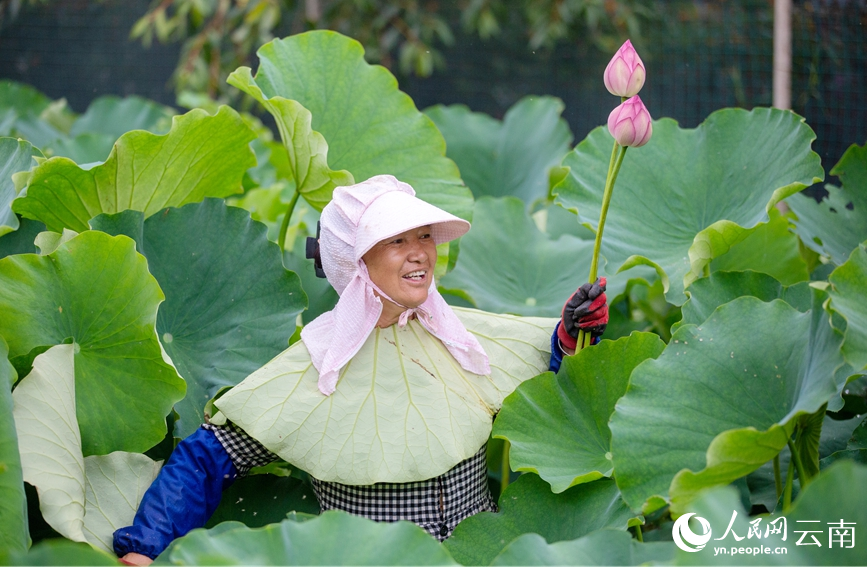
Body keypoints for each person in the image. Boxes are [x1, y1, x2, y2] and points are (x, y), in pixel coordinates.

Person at [113, 175, 608, 565]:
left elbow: (551, 384)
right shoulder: (313, 368)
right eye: (397, 241)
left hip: (480, 559)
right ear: (355, 260)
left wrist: (571, 336)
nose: (420, 252)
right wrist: (146, 546)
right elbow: (208, 457)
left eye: (423, 236)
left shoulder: (464, 339)